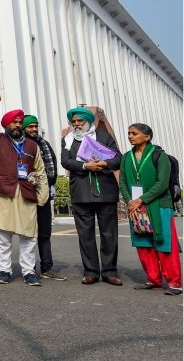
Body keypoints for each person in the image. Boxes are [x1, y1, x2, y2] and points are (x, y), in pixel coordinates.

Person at [0, 109, 49, 286]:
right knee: (4, 237)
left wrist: (42, 196)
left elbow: (40, 171)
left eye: (20, 123)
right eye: (14, 122)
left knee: (29, 236)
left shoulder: (32, 145)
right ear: (6, 125)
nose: (18, 126)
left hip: (26, 193)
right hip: (2, 194)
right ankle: (4, 271)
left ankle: (29, 272)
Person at [60, 107, 122, 286]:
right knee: (85, 234)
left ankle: (110, 271)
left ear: (88, 121)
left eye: (80, 121)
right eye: (74, 121)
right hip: (81, 192)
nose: (77, 124)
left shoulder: (104, 137)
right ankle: (91, 272)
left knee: (109, 233)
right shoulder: (68, 140)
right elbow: (66, 161)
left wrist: (104, 163)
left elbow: (118, 158)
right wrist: (85, 166)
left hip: (105, 191)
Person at [119, 124, 181, 295]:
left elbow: (162, 183)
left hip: (159, 204)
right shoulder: (126, 157)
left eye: (134, 133)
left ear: (147, 137)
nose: (130, 136)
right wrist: (130, 201)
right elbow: (122, 182)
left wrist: (140, 200)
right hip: (135, 205)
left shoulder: (159, 155)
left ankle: (175, 283)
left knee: (164, 243)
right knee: (143, 243)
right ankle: (153, 279)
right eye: (129, 133)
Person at [22, 115, 66, 281]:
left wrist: (47, 184)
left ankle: (47, 268)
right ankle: (29, 269)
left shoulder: (44, 144)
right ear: (23, 128)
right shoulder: (20, 145)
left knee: (45, 233)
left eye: (35, 126)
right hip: (26, 194)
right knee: (28, 234)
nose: (34, 129)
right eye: (30, 126)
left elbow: (52, 165)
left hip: (44, 193)